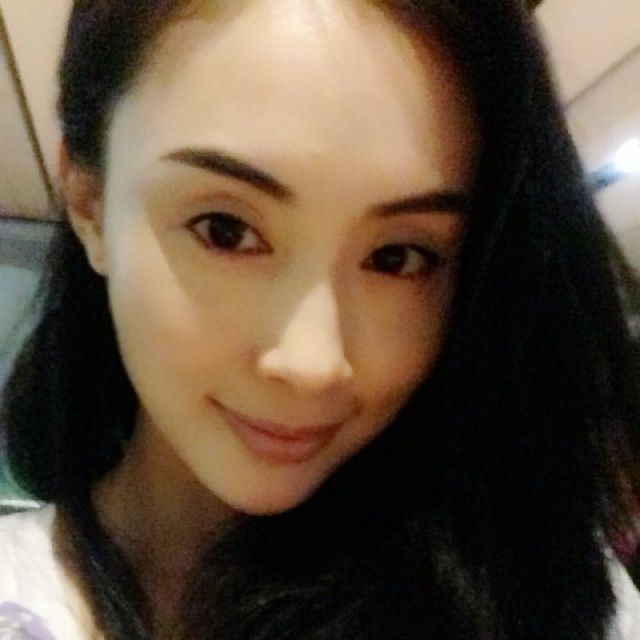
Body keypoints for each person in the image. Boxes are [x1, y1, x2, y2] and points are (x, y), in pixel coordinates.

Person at [1, 0, 640, 638]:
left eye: (397, 257)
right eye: (225, 230)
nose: (313, 363)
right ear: (89, 203)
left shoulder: (549, 598)